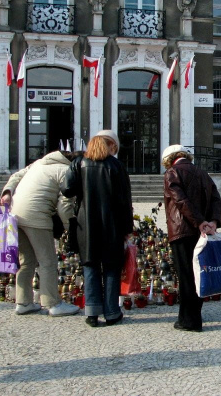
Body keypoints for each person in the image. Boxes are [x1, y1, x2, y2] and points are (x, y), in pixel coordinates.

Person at [61, 130, 133, 328]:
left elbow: (67, 189)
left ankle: (92, 312)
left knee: (90, 265)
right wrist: (128, 227)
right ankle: (111, 312)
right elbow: (125, 200)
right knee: (111, 267)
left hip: (87, 224)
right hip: (112, 224)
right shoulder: (117, 166)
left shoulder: (79, 163)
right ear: (109, 146)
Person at [0, 150, 80, 317]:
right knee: (47, 261)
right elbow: (64, 206)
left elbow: (15, 176)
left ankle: (23, 302)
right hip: (37, 217)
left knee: (26, 261)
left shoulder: (38, 164)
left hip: (16, 214)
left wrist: (7, 192)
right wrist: (70, 228)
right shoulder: (65, 171)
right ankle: (53, 304)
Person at [162, 145, 221, 332]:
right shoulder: (202, 173)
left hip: (182, 230)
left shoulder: (172, 173)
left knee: (186, 275)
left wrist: (198, 221)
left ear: (169, 159)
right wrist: (212, 221)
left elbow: (181, 201)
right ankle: (190, 315)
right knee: (198, 273)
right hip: (201, 230)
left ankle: (189, 320)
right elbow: (216, 200)